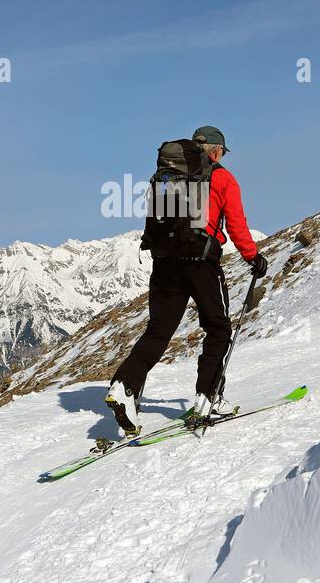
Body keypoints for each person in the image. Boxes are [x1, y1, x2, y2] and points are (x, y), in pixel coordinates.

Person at [105, 125, 267, 437]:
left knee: (158, 332)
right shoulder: (221, 178)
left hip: (164, 263)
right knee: (218, 329)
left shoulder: (167, 175)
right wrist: (253, 258)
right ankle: (207, 398)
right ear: (217, 151)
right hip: (200, 264)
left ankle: (124, 385)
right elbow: (236, 224)